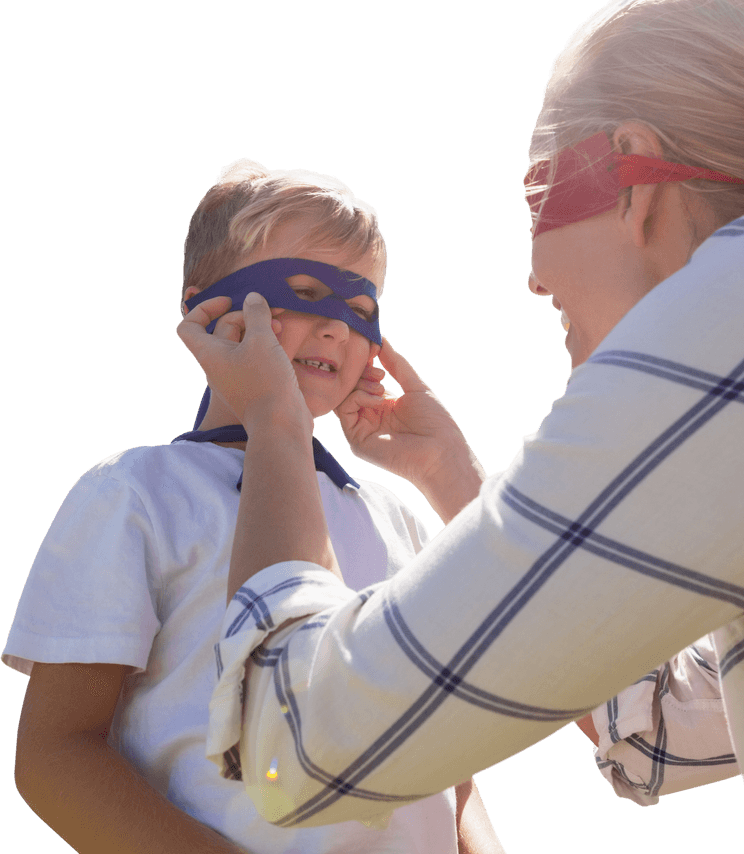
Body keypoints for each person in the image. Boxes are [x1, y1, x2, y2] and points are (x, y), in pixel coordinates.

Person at [180, 0, 744, 852]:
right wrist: (451, 475)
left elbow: (295, 745)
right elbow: (668, 726)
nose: (532, 277)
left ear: (632, 177)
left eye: (537, 197)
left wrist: (275, 425)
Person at [5, 159, 502, 854]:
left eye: (361, 310)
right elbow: (57, 754)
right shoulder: (135, 493)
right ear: (207, 309)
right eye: (302, 291)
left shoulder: (396, 520)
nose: (336, 327)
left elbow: (451, 774)